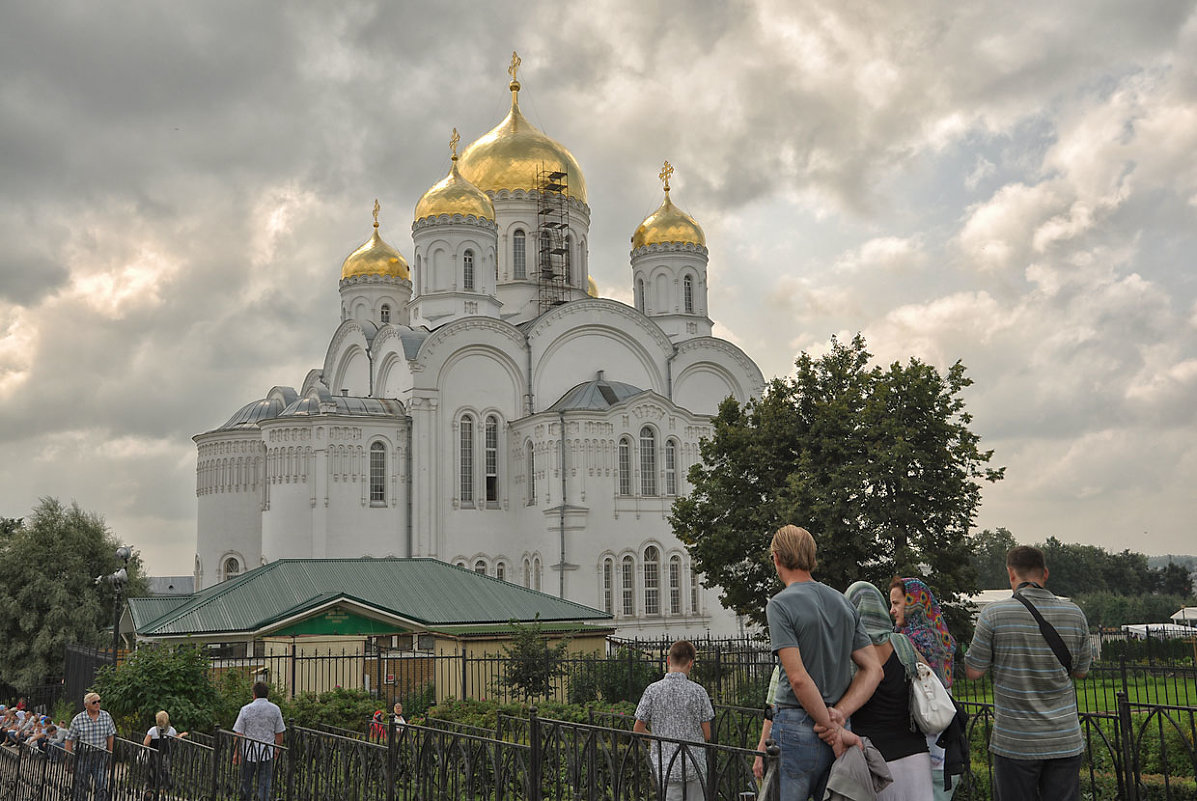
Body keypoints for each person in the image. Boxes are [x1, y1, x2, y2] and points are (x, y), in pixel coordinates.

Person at [965, 545, 1092, 801]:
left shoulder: (993, 615)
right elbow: (1080, 672)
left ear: (1011, 574)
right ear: (1045, 573)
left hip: (1015, 740)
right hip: (1064, 739)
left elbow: (973, 672)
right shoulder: (1074, 614)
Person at [765, 524, 882, 801]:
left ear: (777, 558)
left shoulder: (779, 605)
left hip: (796, 724)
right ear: (811, 557)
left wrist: (829, 725)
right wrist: (839, 717)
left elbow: (798, 678)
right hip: (839, 727)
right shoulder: (843, 603)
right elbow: (874, 669)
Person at [845, 581, 932, 800]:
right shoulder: (903, 643)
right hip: (916, 756)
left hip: (874, 762)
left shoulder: (850, 654)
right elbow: (928, 676)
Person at [890, 576, 958, 800]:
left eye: (897, 603)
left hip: (921, 746)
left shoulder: (907, 642)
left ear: (913, 603)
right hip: (943, 741)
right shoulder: (942, 638)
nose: (892, 610)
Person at [633, 640, 715, 801]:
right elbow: (707, 735)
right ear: (691, 663)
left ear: (668, 660)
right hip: (694, 765)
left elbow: (637, 730)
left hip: (665, 767)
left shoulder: (652, 690)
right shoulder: (698, 692)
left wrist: (656, 739)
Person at [232, 682, 286, 801]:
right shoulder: (275, 710)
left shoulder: (245, 710)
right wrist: (277, 748)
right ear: (267, 694)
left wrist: (237, 753)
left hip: (249, 751)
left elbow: (238, 733)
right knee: (264, 783)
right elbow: (279, 733)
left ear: (254, 694)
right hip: (267, 751)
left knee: (246, 781)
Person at [65, 692, 116, 801]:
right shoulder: (78, 719)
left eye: (99, 701)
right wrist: (68, 758)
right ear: (86, 705)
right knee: (81, 782)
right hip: (84, 755)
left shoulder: (106, 716)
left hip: (100, 754)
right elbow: (69, 740)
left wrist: (110, 754)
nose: (97, 704)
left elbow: (110, 737)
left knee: (101, 782)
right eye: (94, 702)